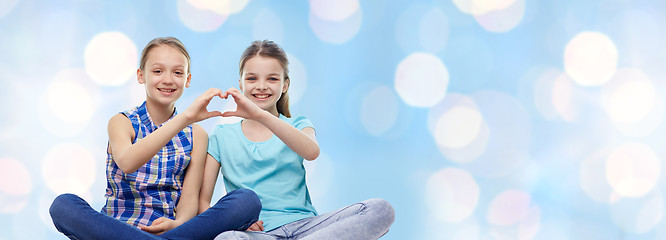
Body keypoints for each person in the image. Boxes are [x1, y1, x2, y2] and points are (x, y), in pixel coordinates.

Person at [49, 37, 261, 240]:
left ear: (187, 79)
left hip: (171, 229)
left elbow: (190, 200)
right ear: (141, 76)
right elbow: (127, 162)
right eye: (158, 71)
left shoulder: (197, 135)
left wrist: (178, 224)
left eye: (177, 72)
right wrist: (185, 118)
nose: (167, 79)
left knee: (247, 201)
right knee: (63, 205)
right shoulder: (122, 122)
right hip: (116, 228)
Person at [200, 40, 395, 240]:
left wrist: (261, 115)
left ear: (285, 85)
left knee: (380, 209)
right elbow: (203, 203)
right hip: (257, 235)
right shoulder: (221, 136)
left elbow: (311, 152)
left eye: (272, 79)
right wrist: (236, 222)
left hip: (308, 228)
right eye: (252, 78)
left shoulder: (299, 124)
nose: (261, 86)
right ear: (240, 83)